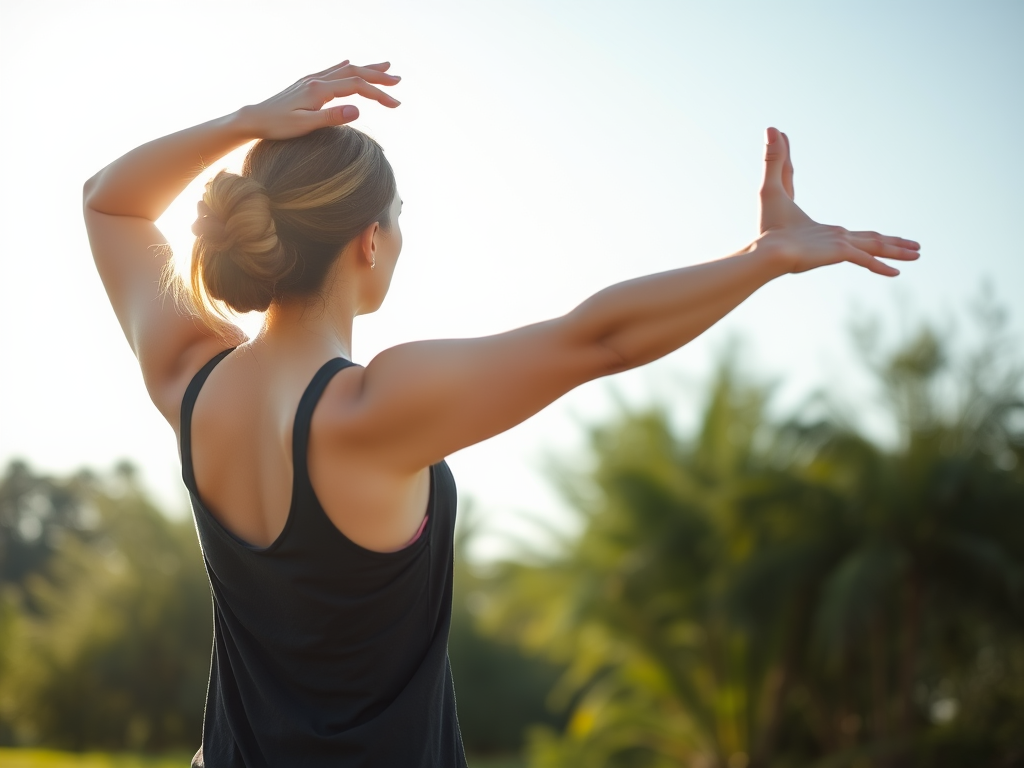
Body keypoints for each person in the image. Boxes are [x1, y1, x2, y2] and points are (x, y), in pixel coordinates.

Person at [83, 59, 919, 767]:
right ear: (368, 242)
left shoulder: (190, 382)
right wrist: (765, 256)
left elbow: (110, 202)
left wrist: (249, 120)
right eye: (399, 219)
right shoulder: (375, 408)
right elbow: (599, 340)